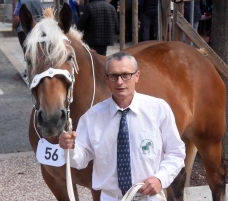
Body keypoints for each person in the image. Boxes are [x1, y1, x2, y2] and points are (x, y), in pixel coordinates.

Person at [59, 52, 186, 201]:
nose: (120, 82)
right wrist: (70, 148)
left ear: (137, 76)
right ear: (106, 78)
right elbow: (79, 161)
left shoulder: (159, 110)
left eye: (126, 75)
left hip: (149, 198)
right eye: (114, 76)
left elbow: (176, 153)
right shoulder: (91, 117)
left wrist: (160, 178)